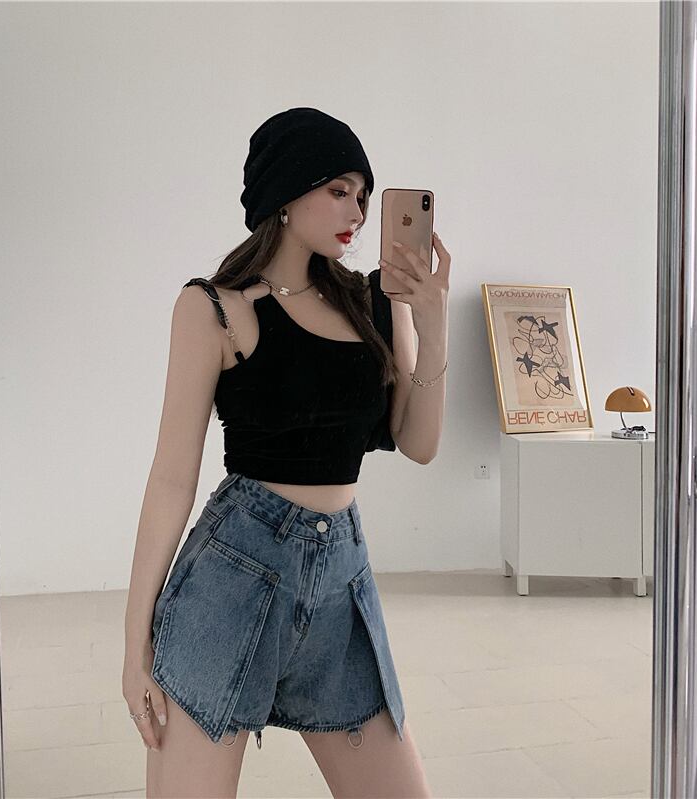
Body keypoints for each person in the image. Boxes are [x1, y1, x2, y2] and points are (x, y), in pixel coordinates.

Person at [123, 107, 451, 798]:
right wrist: (134, 643)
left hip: (342, 585)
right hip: (231, 577)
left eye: (363, 195)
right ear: (284, 193)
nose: (357, 210)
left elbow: (419, 443)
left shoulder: (372, 302)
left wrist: (433, 324)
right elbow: (171, 478)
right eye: (338, 189)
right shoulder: (215, 308)